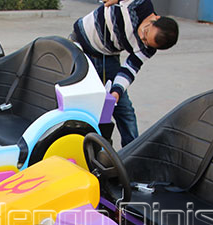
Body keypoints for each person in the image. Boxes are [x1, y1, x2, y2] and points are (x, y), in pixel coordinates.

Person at [71, 0, 179, 147]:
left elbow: (129, 69)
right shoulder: (140, 5)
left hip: (107, 57)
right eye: (146, 32)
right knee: (80, 105)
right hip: (80, 46)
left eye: (147, 41)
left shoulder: (147, 49)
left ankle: (132, 152)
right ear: (156, 19)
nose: (142, 38)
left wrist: (116, 91)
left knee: (124, 110)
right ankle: (76, 147)